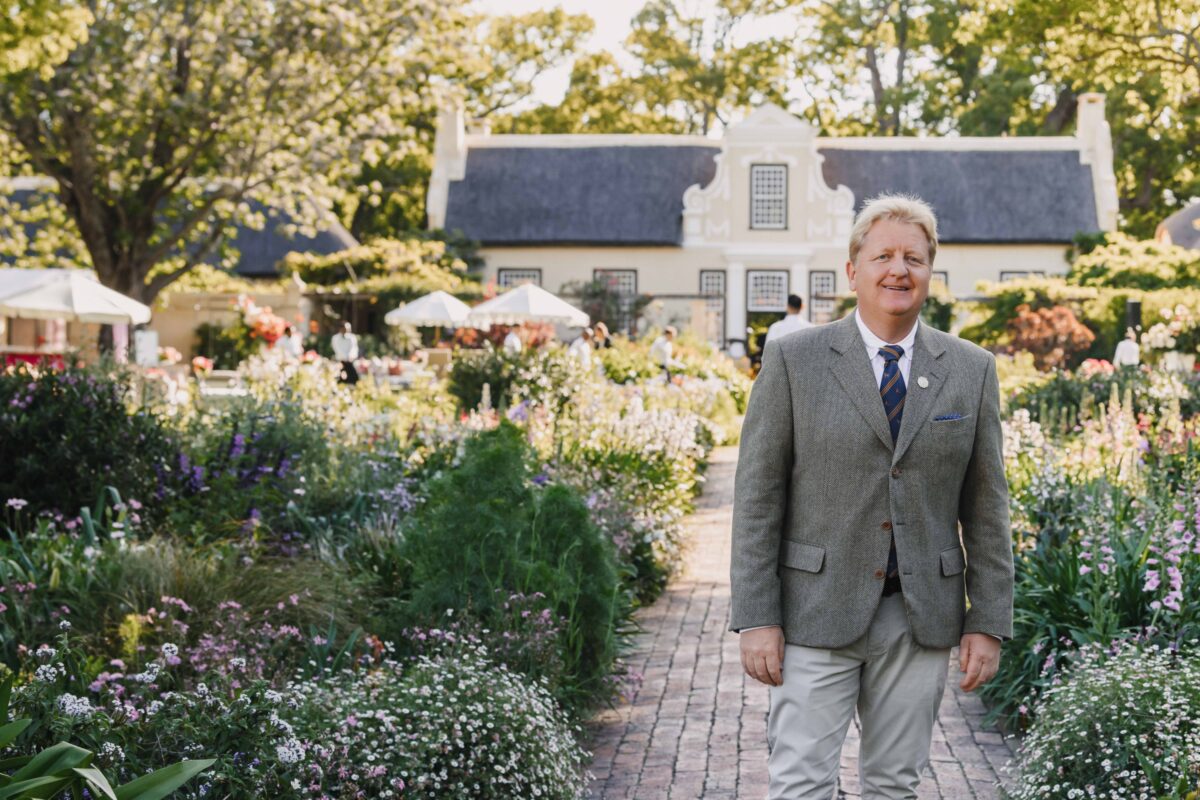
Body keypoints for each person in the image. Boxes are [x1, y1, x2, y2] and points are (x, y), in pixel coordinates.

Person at [730, 194, 1013, 799]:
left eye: (913, 257)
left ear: (930, 273)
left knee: (894, 787)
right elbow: (758, 497)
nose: (898, 270)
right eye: (882, 254)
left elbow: (987, 508)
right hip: (813, 611)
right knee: (800, 786)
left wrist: (987, 620)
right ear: (853, 269)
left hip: (918, 619)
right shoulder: (792, 360)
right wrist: (757, 616)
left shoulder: (971, 369)